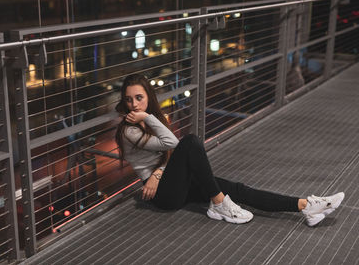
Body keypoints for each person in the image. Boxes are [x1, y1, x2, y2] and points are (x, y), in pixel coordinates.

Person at [115, 74, 344, 226]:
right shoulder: (129, 131)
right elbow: (173, 144)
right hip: (162, 197)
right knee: (191, 141)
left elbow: (170, 155)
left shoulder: (151, 121)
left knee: (236, 189)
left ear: (148, 97)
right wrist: (147, 117)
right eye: (129, 100)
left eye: (139, 98)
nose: (134, 104)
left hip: (171, 182)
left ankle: (306, 207)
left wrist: (157, 172)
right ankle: (218, 204)